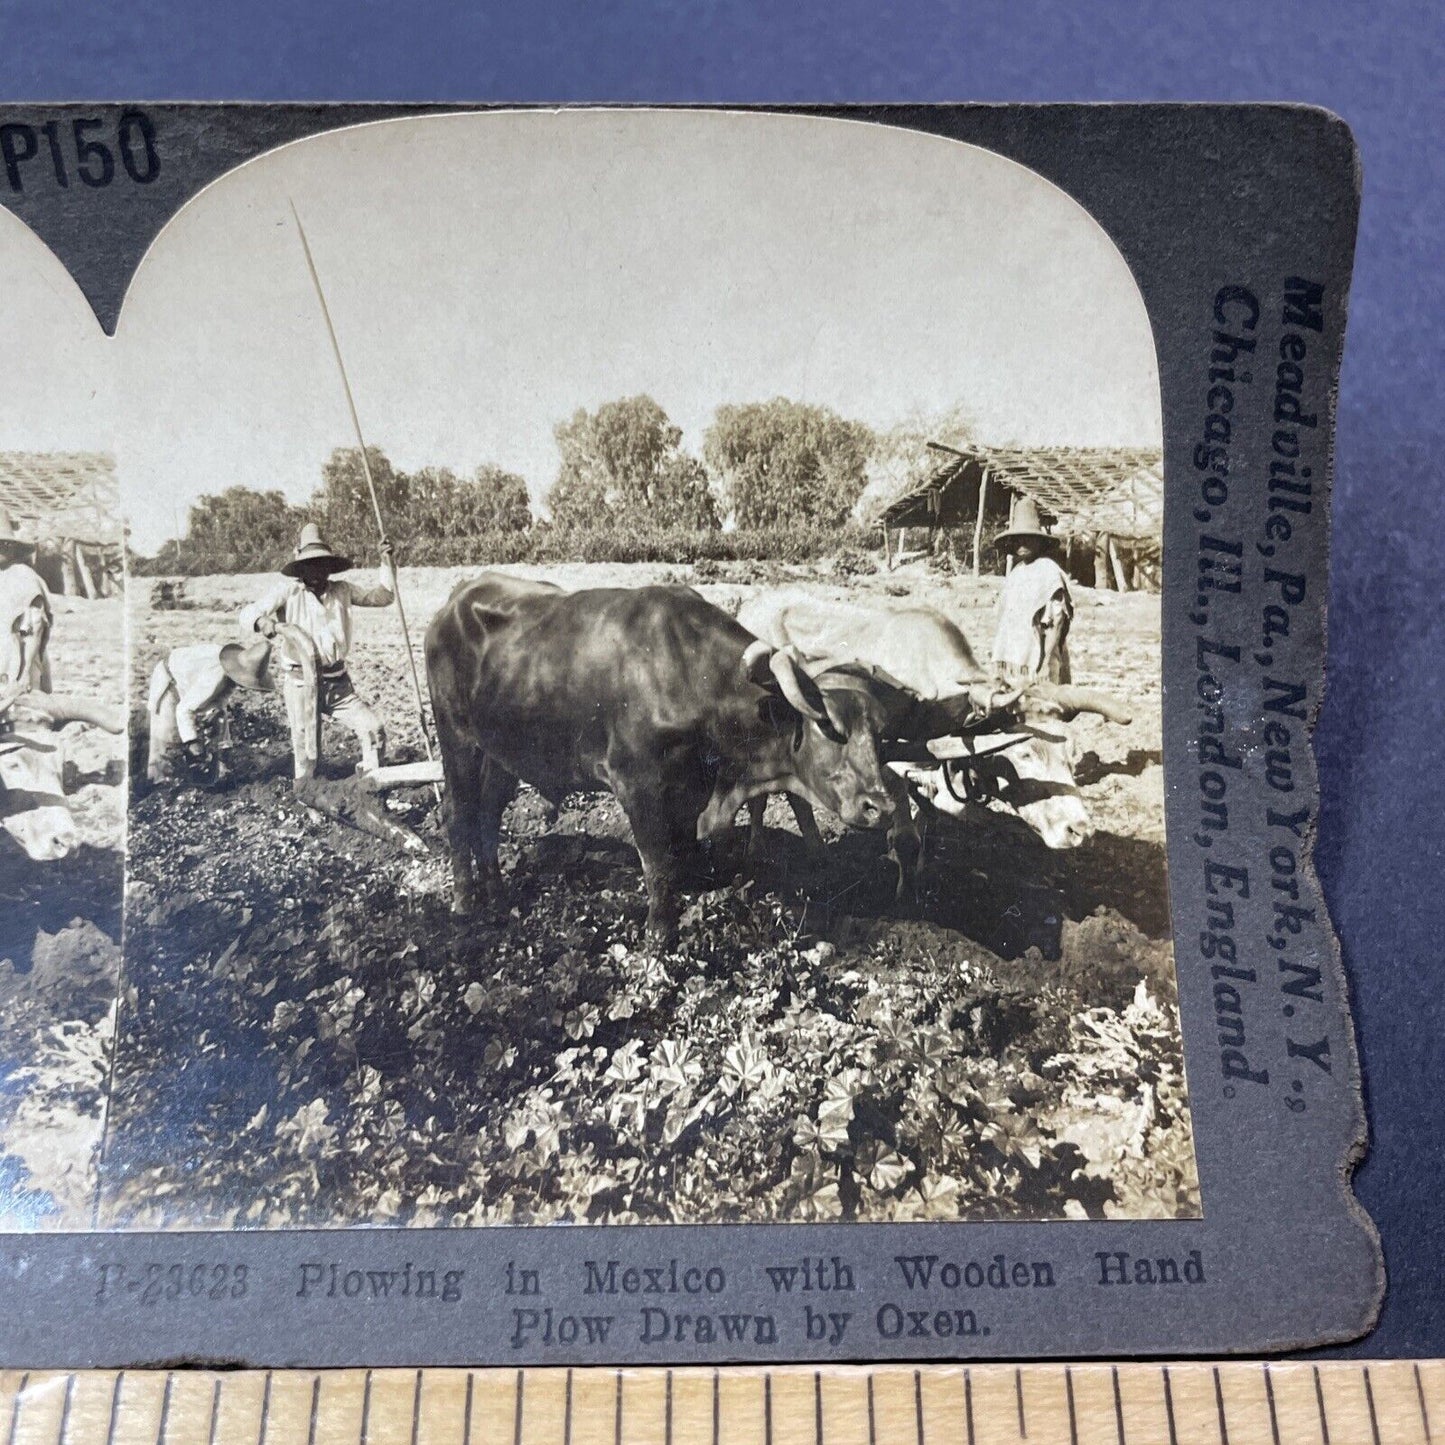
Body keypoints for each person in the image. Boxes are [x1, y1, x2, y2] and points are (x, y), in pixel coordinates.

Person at [239, 523, 395, 775]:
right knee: (306, 751)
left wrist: (387, 562)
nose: (316, 571)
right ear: (300, 567)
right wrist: (263, 622)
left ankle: (368, 786)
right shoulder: (288, 592)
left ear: (329, 567)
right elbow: (247, 612)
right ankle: (307, 798)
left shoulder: (342, 590)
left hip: (338, 685)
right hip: (301, 684)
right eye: (310, 564)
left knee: (373, 729)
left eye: (322, 564)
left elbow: (383, 597)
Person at [990, 497, 1073, 684]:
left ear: (1039, 541)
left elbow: (1056, 623)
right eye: (1018, 539)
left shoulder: (1049, 571)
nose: (1022, 544)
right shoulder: (1016, 573)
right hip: (1014, 661)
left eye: (1028, 538)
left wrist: (1044, 664)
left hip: (1038, 662)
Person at [0, 507, 52, 701]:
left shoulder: (23, 577)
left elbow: (34, 629)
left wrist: (25, 675)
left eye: (4, 544)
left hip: (15, 670)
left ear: (10, 547)